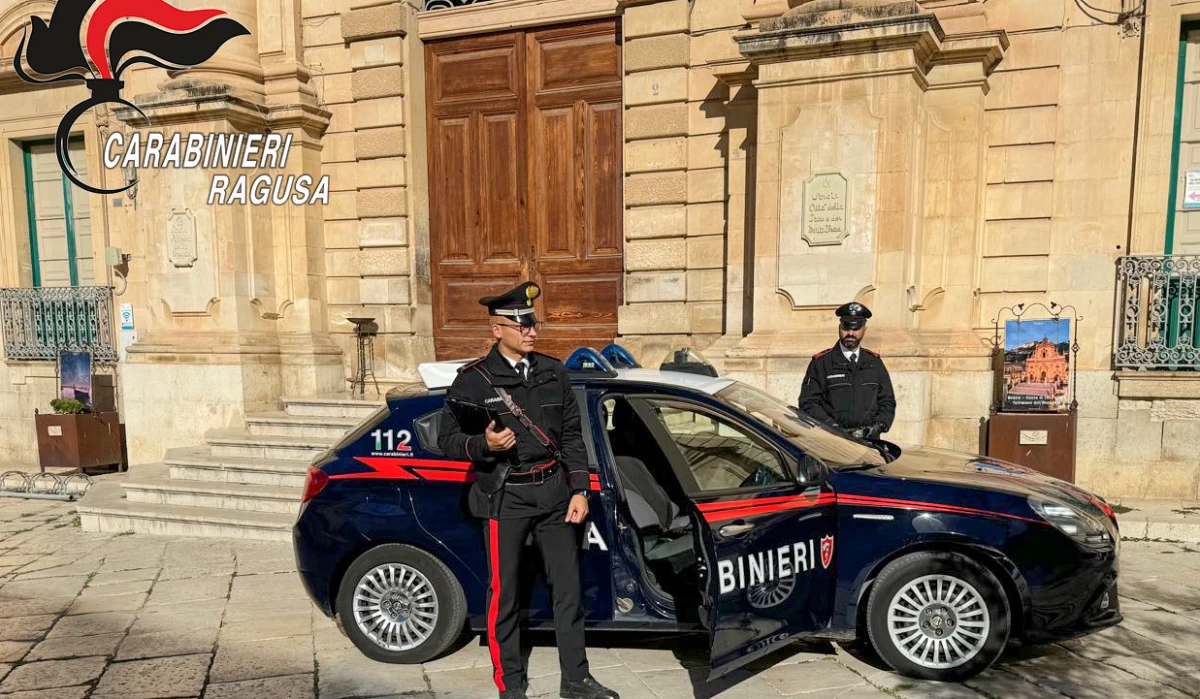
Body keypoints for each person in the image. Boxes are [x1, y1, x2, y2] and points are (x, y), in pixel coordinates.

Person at [438, 281, 619, 699]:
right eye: (520, 325)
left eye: (533, 323)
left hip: (555, 493)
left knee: (569, 593)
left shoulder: (553, 372)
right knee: (506, 598)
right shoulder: (473, 381)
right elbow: (446, 441)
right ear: (497, 329)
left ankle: (576, 680)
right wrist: (483, 445)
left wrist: (579, 490)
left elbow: (572, 437)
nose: (531, 331)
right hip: (506, 498)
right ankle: (511, 687)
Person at [798, 302, 896, 440]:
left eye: (856, 328)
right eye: (846, 327)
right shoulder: (821, 363)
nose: (850, 333)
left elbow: (887, 401)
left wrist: (878, 426)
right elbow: (808, 403)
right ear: (839, 327)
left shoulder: (874, 362)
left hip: (869, 442)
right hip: (833, 442)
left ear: (864, 329)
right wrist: (832, 427)